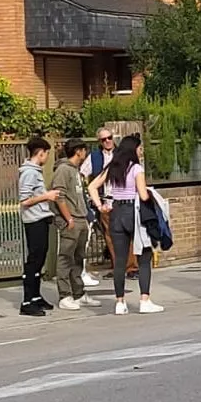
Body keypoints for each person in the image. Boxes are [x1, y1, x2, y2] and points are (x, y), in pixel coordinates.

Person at [87, 135, 163, 314]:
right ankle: (145, 300)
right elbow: (143, 195)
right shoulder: (136, 168)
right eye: (139, 148)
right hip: (133, 212)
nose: (140, 151)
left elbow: (92, 186)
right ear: (133, 150)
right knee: (144, 256)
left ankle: (120, 302)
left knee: (120, 260)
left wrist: (100, 206)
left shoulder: (113, 167)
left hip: (116, 212)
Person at [52, 139, 102, 311]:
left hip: (81, 218)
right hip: (71, 220)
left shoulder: (76, 171)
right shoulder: (63, 170)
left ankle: (78, 293)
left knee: (78, 258)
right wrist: (68, 218)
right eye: (84, 151)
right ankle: (64, 295)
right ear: (78, 151)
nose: (85, 154)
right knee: (66, 257)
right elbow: (59, 196)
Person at [81, 126, 134, 282]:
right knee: (110, 236)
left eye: (109, 137)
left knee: (127, 234)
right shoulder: (94, 157)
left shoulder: (122, 155)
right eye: (104, 139)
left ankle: (131, 267)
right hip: (106, 200)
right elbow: (82, 173)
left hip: (122, 199)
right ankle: (118, 266)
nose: (108, 141)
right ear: (100, 141)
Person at [18, 137, 60, 317]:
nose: (47, 157)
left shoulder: (36, 171)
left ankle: (36, 296)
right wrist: (47, 196)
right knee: (34, 260)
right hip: (34, 220)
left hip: (41, 218)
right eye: (47, 153)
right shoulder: (29, 173)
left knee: (40, 258)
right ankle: (27, 301)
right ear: (41, 153)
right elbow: (25, 200)